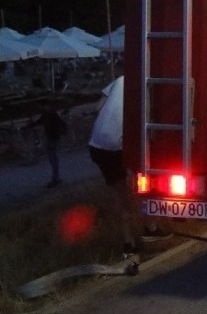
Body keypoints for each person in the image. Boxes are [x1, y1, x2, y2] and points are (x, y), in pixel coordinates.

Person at [88, 75, 171, 255]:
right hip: (118, 147)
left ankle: (128, 245)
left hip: (96, 145)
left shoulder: (120, 79)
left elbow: (97, 107)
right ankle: (151, 227)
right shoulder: (151, 83)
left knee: (121, 195)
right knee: (147, 183)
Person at [28, 103, 68, 188]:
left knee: (53, 158)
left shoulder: (49, 115)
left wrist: (30, 125)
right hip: (53, 138)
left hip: (52, 138)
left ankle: (56, 178)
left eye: (41, 106)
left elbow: (39, 122)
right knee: (53, 158)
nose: (40, 108)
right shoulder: (50, 114)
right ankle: (56, 177)